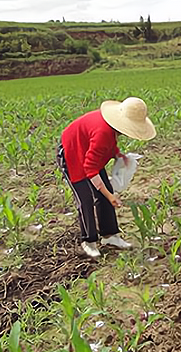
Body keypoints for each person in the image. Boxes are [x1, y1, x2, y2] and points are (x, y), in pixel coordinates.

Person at [57, 97, 156, 258]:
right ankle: (88, 242)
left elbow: (108, 144)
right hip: (72, 152)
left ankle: (110, 236)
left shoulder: (110, 129)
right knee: (86, 199)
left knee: (104, 191)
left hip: (87, 150)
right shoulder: (103, 131)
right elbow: (90, 169)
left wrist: (118, 156)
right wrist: (110, 197)